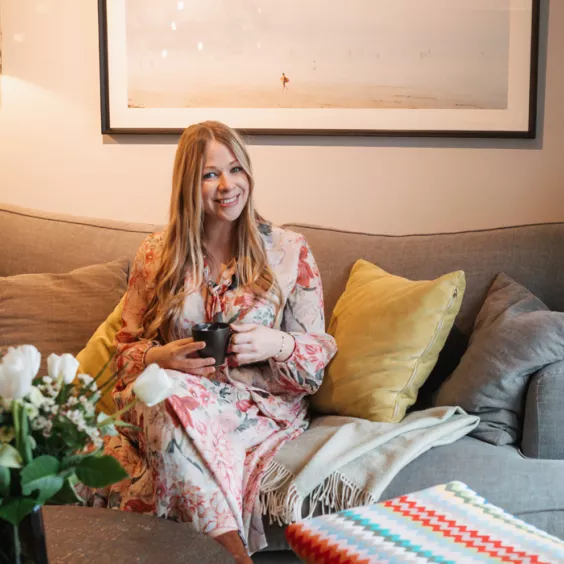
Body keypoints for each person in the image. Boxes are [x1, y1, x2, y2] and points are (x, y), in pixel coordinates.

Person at [94, 121, 337, 562]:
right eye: (210, 174)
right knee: (164, 394)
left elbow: (315, 363)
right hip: (172, 398)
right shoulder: (155, 254)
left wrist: (276, 344)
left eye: (236, 169)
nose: (227, 185)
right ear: (189, 184)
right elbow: (124, 353)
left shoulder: (289, 250)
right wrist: (160, 356)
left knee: (164, 405)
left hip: (255, 406)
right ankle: (233, 553)